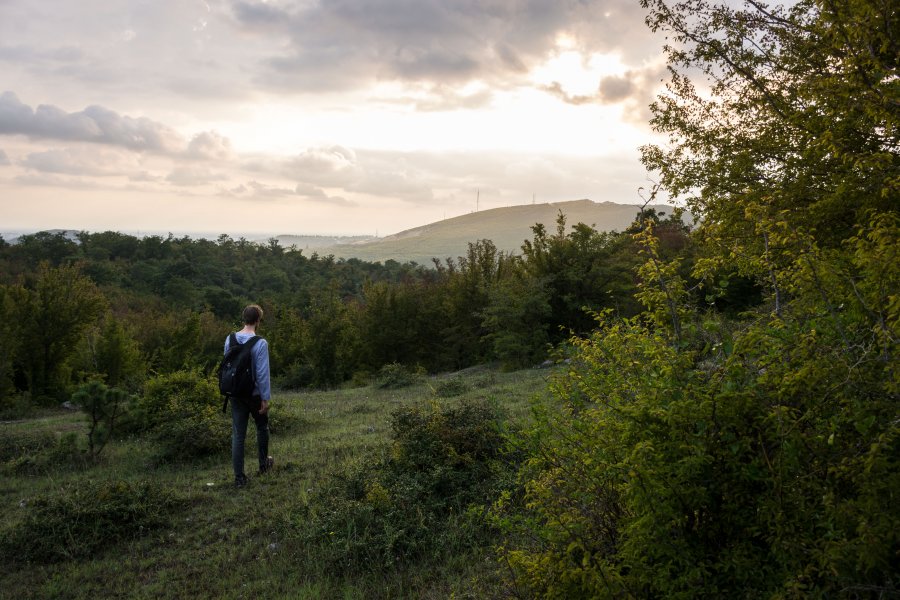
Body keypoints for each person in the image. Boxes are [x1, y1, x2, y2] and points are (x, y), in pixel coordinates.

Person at [225, 304, 273, 487]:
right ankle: (263, 465)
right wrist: (264, 398)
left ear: (243, 318)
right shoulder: (260, 343)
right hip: (253, 395)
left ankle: (239, 478)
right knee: (262, 427)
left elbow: (227, 367)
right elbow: (262, 373)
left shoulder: (230, 339)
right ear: (258, 320)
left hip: (235, 394)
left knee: (238, 435)